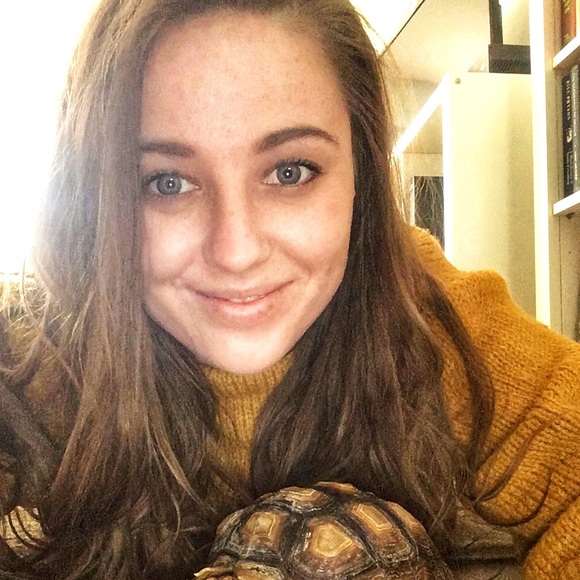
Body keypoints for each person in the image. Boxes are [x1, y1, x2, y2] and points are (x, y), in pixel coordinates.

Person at [0, 0, 578, 578]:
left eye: (289, 171)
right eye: (167, 182)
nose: (236, 251)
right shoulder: (28, 365)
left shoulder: (428, 312)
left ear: (362, 174)